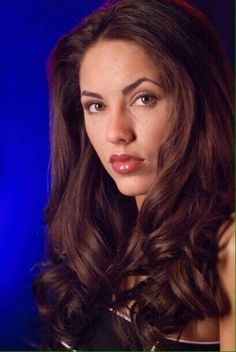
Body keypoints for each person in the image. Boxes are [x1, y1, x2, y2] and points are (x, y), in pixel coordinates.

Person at [33, 0, 234, 350]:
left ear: (197, 102)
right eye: (96, 106)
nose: (116, 132)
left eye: (143, 98)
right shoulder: (98, 238)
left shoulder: (227, 249)